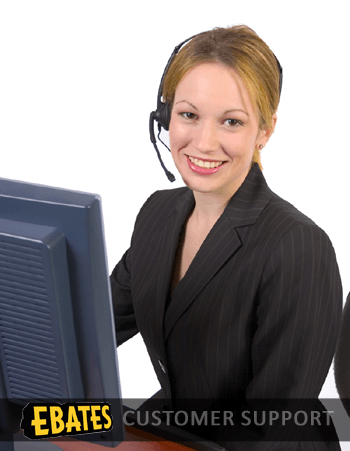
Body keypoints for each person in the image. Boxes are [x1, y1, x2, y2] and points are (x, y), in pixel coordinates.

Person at [110, 25, 342, 450]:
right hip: (180, 427)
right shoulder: (158, 214)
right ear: (165, 117)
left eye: (231, 121)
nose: (203, 141)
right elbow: (93, 323)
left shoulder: (299, 248)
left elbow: (276, 428)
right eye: (188, 115)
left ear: (265, 131)